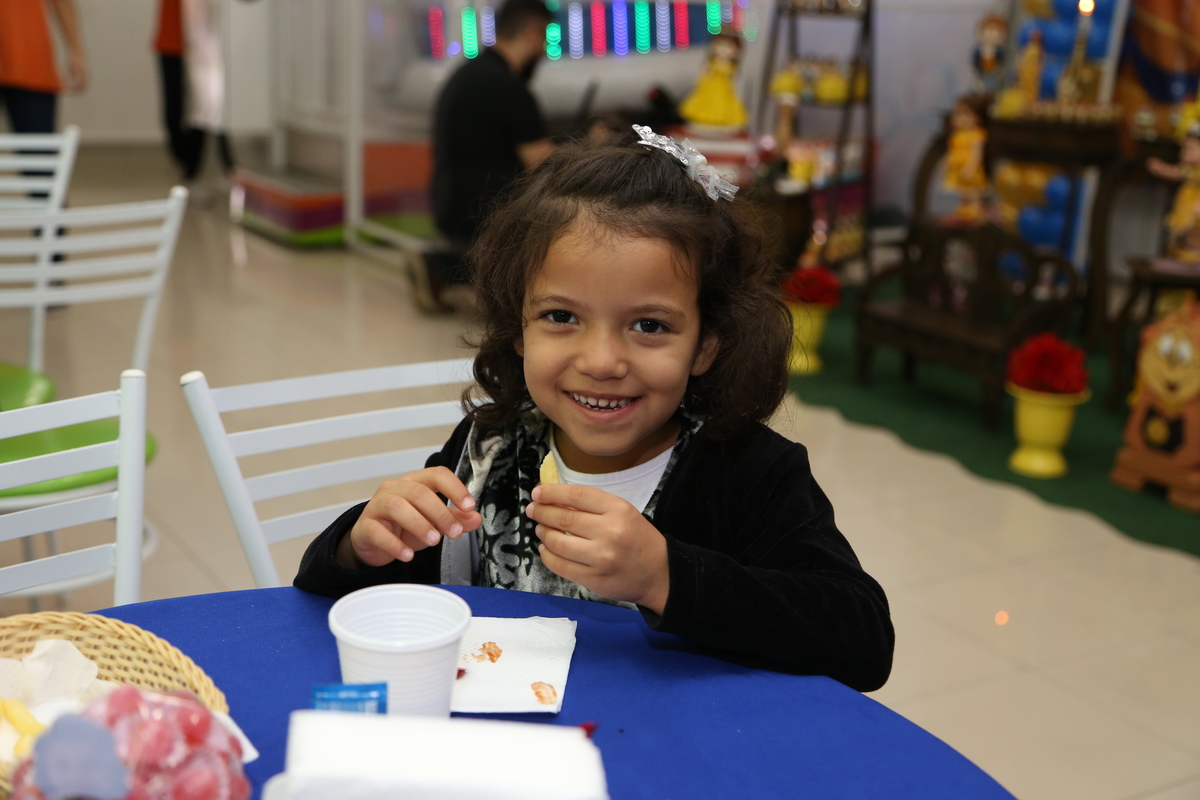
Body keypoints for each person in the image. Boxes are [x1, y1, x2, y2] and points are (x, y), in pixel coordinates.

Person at [295, 128, 894, 691]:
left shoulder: (751, 473)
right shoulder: (491, 446)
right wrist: (360, 546)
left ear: (705, 345)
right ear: (519, 328)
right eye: (562, 317)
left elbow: (863, 641)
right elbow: (353, 602)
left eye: (649, 325)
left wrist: (665, 576)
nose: (603, 361)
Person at [415, 0, 556, 313]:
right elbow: (544, 164)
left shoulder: (466, 74)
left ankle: (443, 265)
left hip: (448, 206)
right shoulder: (510, 89)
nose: (545, 51)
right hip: (488, 218)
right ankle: (463, 274)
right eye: (546, 38)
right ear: (531, 33)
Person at [154, 0, 234, 199]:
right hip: (174, 44)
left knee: (211, 108)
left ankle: (219, 169)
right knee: (178, 111)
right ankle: (187, 167)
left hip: (204, 48)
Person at [0, 0, 87, 134]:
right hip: (29, 58)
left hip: (30, 61)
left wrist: (75, 50)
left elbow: (63, 3)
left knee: (38, 143)